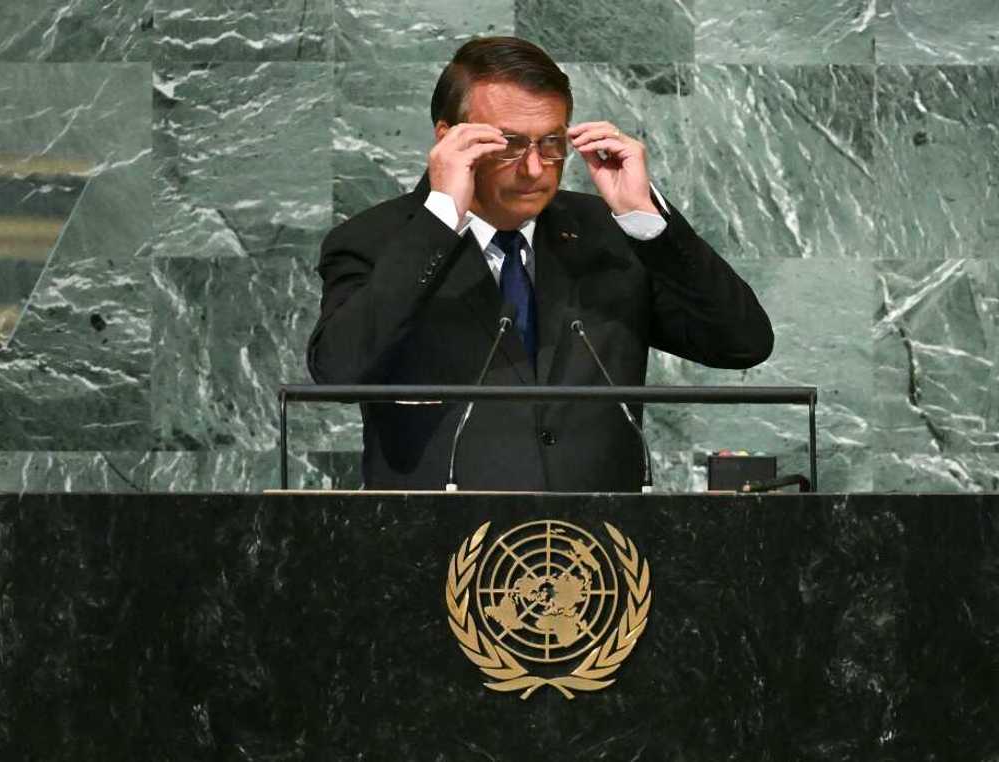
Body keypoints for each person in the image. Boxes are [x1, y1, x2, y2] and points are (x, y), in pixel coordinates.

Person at [306, 36, 773, 492]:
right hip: (441, 549)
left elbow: (742, 343)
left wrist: (647, 219)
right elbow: (338, 373)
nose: (534, 169)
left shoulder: (608, 235)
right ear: (450, 140)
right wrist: (440, 219)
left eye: (551, 144)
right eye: (509, 145)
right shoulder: (375, 240)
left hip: (597, 552)